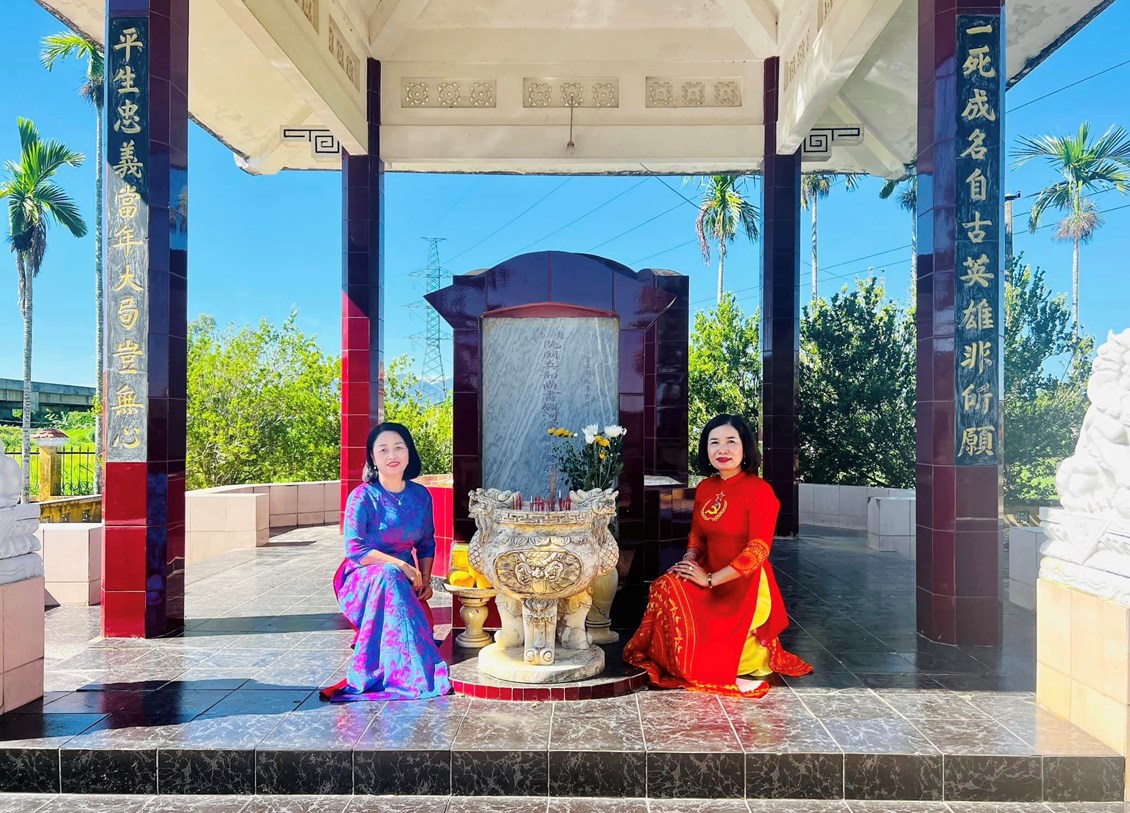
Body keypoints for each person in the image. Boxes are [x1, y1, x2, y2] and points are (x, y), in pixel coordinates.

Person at [623, 414, 812, 696]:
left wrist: (710, 580)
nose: (722, 449)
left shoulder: (760, 491)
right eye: (714, 442)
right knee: (665, 585)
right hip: (707, 568)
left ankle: (711, 663)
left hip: (743, 580)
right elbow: (698, 534)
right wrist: (690, 557)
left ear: (745, 447)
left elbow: (758, 550)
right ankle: (679, 659)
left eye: (730, 441)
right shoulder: (706, 488)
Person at [320, 422, 452, 701]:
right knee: (389, 573)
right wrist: (402, 565)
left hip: (404, 581)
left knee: (415, 615)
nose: (392, 455)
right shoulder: (363, 496)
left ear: (409, 452)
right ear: (372, 457)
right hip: (362, 577)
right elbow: (355, 548)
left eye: (398, 447)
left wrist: (426, 580)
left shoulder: (420, 496)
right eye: (383, 450)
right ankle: (406, 676)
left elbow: (427, 542)